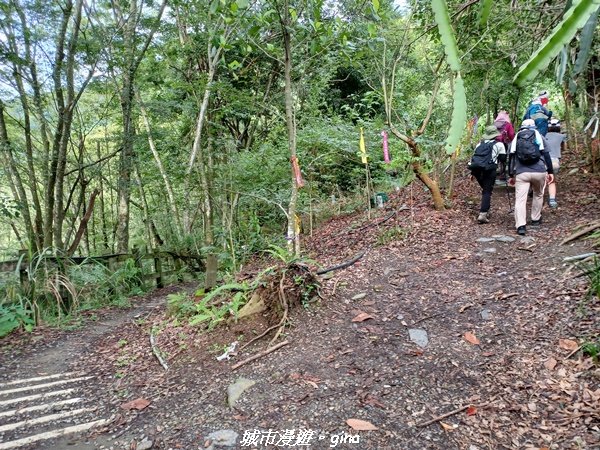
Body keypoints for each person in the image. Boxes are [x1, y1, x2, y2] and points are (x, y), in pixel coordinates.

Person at [508, 119, 555, 235]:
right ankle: (535, 219)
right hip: (539, 171)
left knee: (520, 199)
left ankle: (521, 226)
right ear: (534, 126)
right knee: (538, 194)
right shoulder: (539, 136)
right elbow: (547, 155)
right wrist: (550, 172)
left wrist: (511, 174)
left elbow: (511, 157)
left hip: (521, 173)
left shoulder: (516, 138)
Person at [469, 125, 507, 224]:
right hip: (490, 169)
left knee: (485, 189)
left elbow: (474, 158)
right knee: (487, 191)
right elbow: (503, 159)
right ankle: (483, 213)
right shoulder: (499, 145)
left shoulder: (479, 144)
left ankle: (486, 208)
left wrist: (472, 173)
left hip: (477, 170)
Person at [545, 118, 566, 208]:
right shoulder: (562, 136)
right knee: (551, 181)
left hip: (543, 161)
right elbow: (564, 148)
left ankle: (535, 195)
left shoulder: (543, 135)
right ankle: (552, 200)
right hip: (554, 161)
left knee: (540, 180)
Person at [493, 111, 515, 179]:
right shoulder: (507, 124)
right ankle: (502, 174)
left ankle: (493, 173)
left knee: (494, 157)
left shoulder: (494, 124)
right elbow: (511, 134)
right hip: (503, 143)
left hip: (494, 143)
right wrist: (512, 140)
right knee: (503, 158)